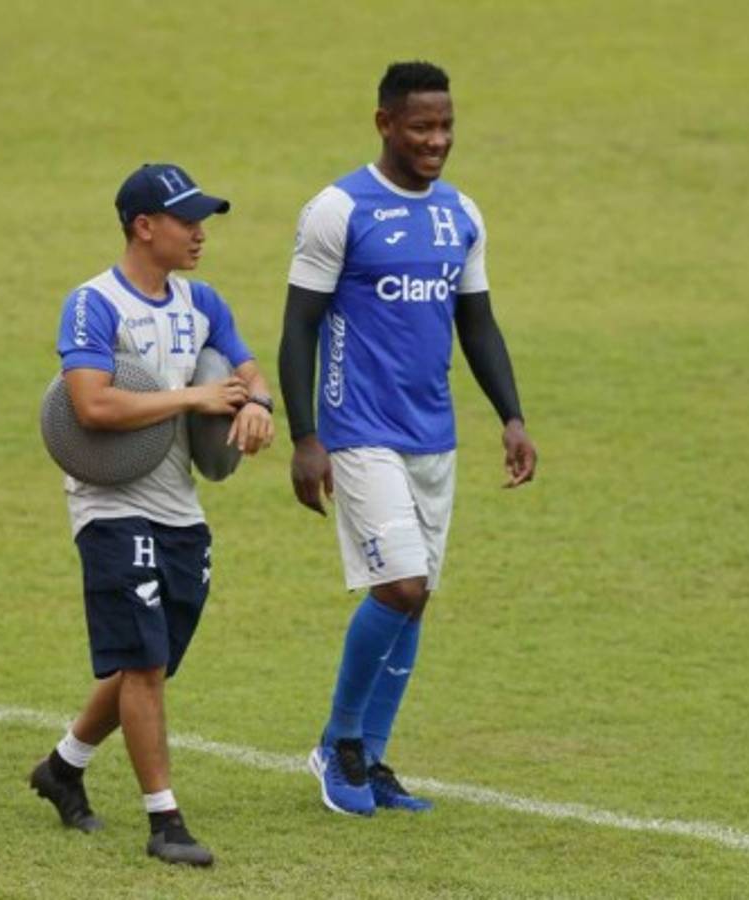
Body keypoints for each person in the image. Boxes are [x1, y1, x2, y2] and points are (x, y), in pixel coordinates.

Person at [278, 61, 537, 817]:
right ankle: (339, 742)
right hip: (358, 430)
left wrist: (511, 416)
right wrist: (304, 437)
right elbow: (299, 325)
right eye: (421, 126)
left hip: (433, 434)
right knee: (400, 586)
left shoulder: (461, 214)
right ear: (384, 123)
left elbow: (476, 322)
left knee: (416, 599)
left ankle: (375, 759)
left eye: (446, 125)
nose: (437, 140)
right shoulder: (337, 208)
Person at [30, 163, 274, 864]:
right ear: (144, 227)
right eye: (186, 220)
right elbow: (91, 405)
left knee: (153, 662)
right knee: (140, 663)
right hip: (110, 508)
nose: (200, 233)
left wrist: (256, 404)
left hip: (180, 512)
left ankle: (63, 767)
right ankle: (165, 822)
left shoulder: (203, 302)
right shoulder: (92, 304)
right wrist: (193, 400)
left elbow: (248, 369)